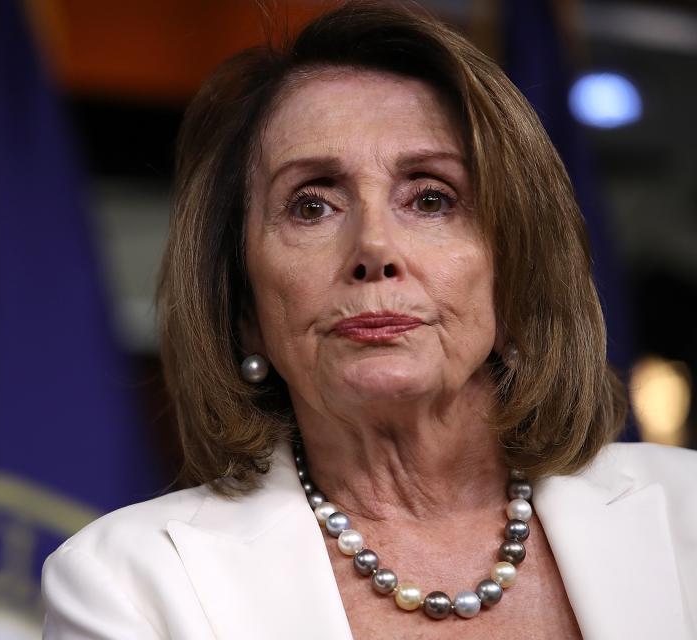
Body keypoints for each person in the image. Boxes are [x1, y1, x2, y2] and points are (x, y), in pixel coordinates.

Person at [42, 3, 697, 638]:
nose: (374, 249)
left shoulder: (686, 514)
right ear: (242, 304)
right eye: (312, 206)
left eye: (432, 198)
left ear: (518, 271)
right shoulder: (129, 581)